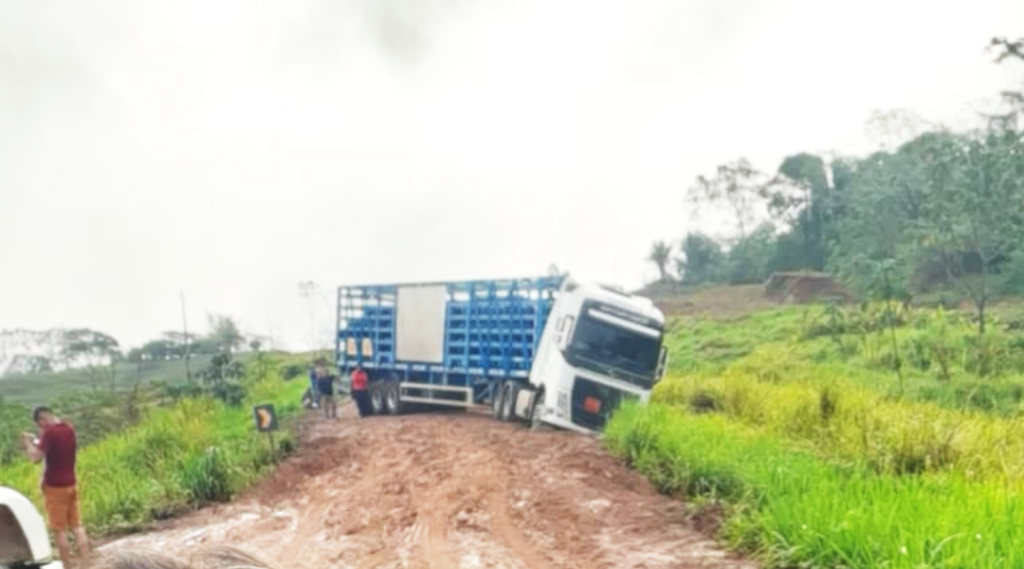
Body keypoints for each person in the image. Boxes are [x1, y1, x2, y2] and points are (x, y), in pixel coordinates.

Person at [22, 406, 89, 569]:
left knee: (59, 530)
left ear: (42, 419)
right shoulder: (68, 428)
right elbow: (53, 448)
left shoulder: (49, 432)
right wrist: (37, 440)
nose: (41, 428)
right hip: (71, 484)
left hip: (55, 489)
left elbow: (35, 457)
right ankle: (86, 565)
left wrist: (27, 443)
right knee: (77, 526)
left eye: (40, 425)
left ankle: (67, 566)